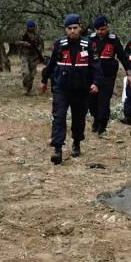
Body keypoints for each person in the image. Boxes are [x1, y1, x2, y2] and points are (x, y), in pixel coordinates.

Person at [40, 14, 100, 164]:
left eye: (75, 28)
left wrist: (96, 83)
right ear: (65, 29)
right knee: (59, 117)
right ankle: (57, 149)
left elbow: (96, 66)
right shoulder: (59, 44)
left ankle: (76, 143)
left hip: (81, 89)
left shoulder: (88, 45)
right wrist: (44, 80)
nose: (72, 31)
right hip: (61, 87)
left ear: (80, 28)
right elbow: (51, 64)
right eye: (69, 28)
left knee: (78, 118)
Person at [88, 14, 131, 135]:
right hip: (93, 76)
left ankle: (102, 126)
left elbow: (123, 57)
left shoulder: (113, 40)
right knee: (92, 102)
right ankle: (96, 118)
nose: (100, 32)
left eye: (102, 29)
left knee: (103, 101)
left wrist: (129, 74)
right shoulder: (91, 39)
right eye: (97, 29)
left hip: (108, 76)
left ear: (107, 27)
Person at [18, 19, 45, 95]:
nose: (31, 28)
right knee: (26, 73)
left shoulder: (37, 35)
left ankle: (28, 89)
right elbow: (16, 42)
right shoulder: (23, 34)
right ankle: (25, 87)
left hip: (34, 57)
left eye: (32, 27)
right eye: (30, 26)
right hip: (24, 56)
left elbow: (40, 44)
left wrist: (38, 51)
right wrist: (24, 43)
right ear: (27, 26)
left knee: (32, 74)